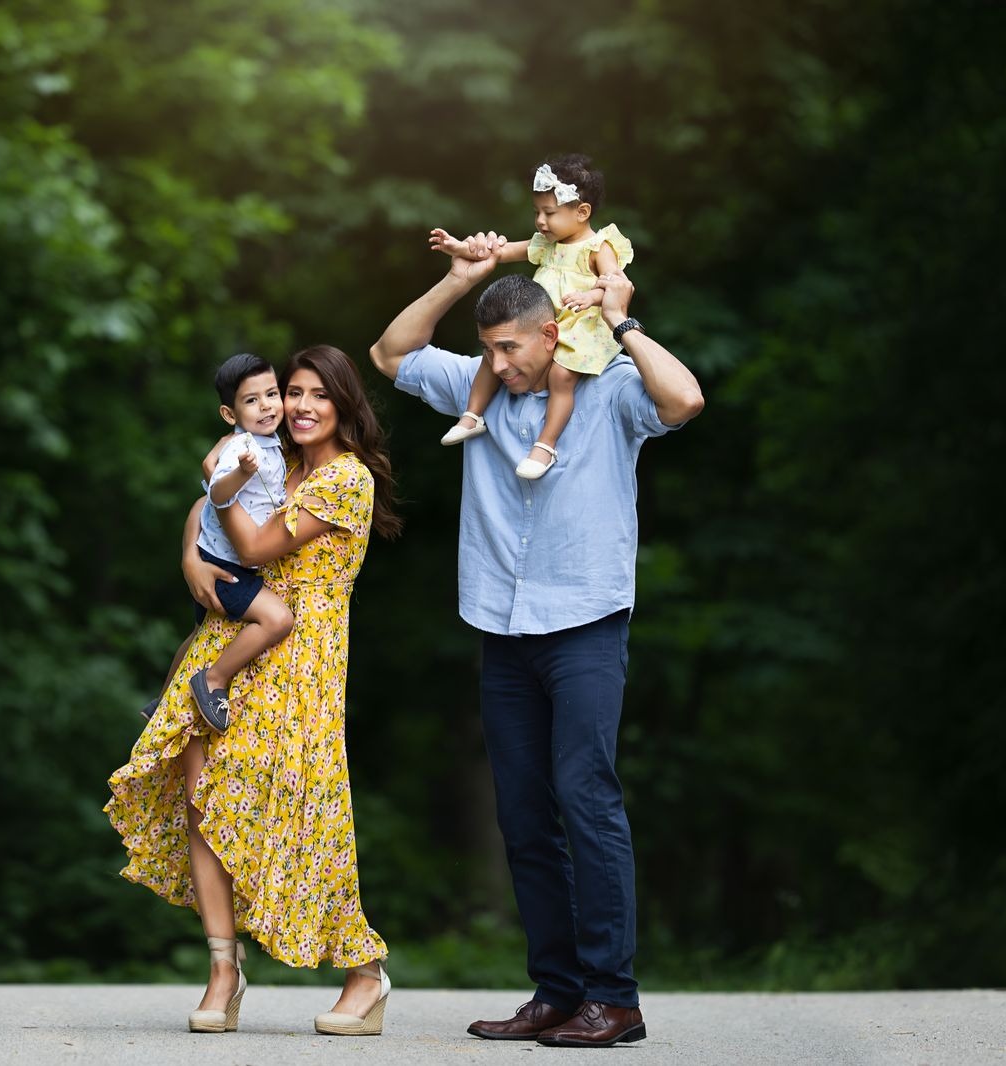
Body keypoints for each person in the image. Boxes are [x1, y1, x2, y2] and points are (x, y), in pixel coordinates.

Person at [368, 236, 704, 1048]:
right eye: (487, 350)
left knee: (586, 799)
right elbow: (390, 352)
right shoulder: (479, 392)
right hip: (501, 628)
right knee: (523, 816)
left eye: (509, 347)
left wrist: (621, 324)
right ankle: (556, 992)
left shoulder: (609, 387)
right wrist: (459, 281)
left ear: (551, 333)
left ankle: (613, 998)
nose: (497, 361)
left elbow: (686, 400)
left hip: (584, 623)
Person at [106, 345, 404, 1036]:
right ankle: (222, 968)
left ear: (343, 405)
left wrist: (222, 486)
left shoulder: (345, 480)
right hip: (233, 635)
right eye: (291, 392)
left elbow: (256, 547)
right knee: (201, 797)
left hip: (302, 652)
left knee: (305, 815)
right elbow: (205, 514)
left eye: (316, 396)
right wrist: (189, 550)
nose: (299, 406)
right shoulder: (277, 458)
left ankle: (364, 971)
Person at [429, 153, 632, 481]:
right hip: (540, 325)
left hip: (581, 326)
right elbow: (503, 252)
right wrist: (459, 248)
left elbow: (616, 284)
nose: (540, 221)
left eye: (549, 213)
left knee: (561, 377)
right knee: (493, 355)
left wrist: (590, 296)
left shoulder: (599, 246)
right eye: (537, 212)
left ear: (582, 212)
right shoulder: (547, 243)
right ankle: (472, 414)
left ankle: (545, 444)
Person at [145, 353, 296, 732]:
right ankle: (213, 681)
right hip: (227, 565)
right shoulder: (242, 448)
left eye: (272, 394)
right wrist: (241, 473)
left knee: (197, 634)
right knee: (278, 619)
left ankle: (162, 704)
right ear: (230, 414)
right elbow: (215, 493)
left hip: (219, 554)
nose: (266, 406)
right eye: (251, 400)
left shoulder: (267, 441)